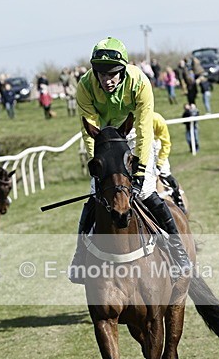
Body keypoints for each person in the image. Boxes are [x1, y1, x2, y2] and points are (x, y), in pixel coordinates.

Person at [69, 36, 192, 283]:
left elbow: (146, 130)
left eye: (114, 73)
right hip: (105, 137)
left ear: (123, 70)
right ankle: (80, 254)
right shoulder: (84, 87)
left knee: (146, 190)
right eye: (102, 73)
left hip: (134, 132)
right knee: (95, 192)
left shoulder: (139, 82)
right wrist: (97, 169)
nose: (108, 79)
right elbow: (88, 131)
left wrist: (140, 171)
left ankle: (178, 252)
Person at [152, 112, 186, 212]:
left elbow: (165, 143)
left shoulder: (157, 119)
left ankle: (178, 200)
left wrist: (160, 163)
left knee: (167, 175)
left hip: (158, 151)